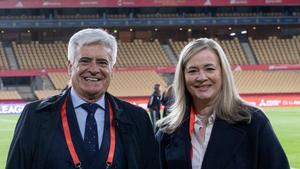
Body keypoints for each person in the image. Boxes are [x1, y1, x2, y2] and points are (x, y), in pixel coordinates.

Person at [6, 28, 159, 169]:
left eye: (102, 62)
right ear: (69, 67)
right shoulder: (35, 116)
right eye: (85, 61)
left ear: (112, 70)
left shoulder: (137, 119)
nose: (93, 69)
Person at [156, 38, 289, 169]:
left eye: (209, 69)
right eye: (192, 71)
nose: (201, 77)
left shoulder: (253, 122)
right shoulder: (166, 131)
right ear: (183, 78)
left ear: (223, 73)